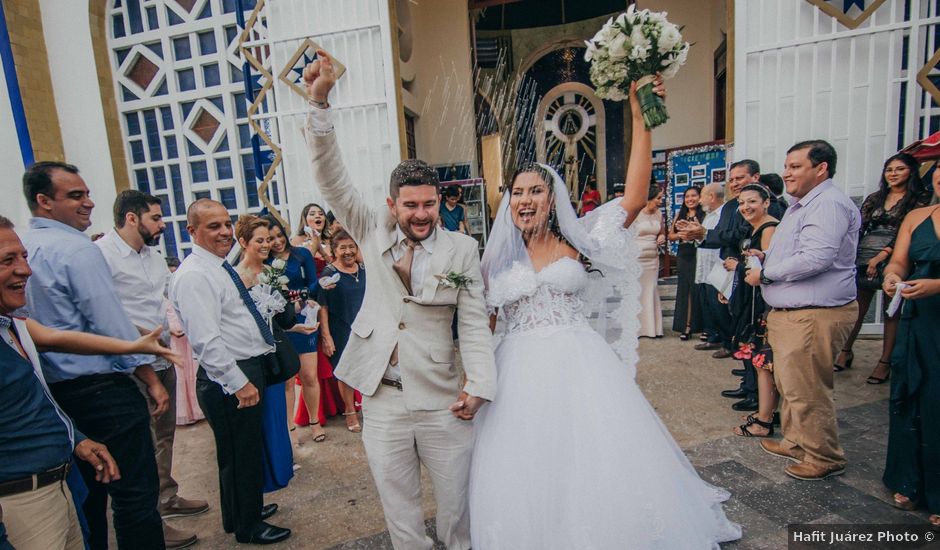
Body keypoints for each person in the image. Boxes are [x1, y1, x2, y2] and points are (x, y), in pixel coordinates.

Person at [471, 80, 741, 548]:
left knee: (592, 453)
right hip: (517, 371)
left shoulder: (579, 238)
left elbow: (634, 198)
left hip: (579, 363)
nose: (525, 199)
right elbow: (484, 326)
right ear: (508, 199)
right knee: (528, 458)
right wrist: (475, 382)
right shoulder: (496, 260)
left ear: (552, 198)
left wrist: (639, 116)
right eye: (517, 192)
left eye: (535, 190)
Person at [304, 53, 497, 550]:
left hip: (442, 399)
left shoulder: (463, 249)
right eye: (410, 204)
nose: (420, 213)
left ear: (439, 200)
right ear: (392, 204)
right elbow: (331, 177)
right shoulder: (370, 228)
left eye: (428, 203)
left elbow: (474, 322)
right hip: (383, 398)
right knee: (399, 509)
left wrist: (479, 383)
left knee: (457, 506)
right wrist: (319, 104)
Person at [0, 215, 180, 550]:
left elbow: (57, 339)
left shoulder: (14, 327)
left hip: (57, 485)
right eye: (8, 260)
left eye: (23, 257)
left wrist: (77, 438)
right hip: (23, 498)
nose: (25, 270)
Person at [169, 199, 290, 545]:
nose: (224, 232)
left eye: (225, 224)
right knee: (241, 455)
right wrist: (239, 384)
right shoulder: (194, 275)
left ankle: (241, 511)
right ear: (192, 231)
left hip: (244, 367)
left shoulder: (218, 267)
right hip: (229, 375)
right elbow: (207, 342)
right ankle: (248, 526)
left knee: (241, 452)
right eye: (213, 226)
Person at [96, 190, 207, 549]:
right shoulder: (102, 257)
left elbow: (164, 302)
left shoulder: (154, 258)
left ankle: (166, 497)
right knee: (139, 446)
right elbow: (107, 318)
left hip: (163, 359)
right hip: (127, 366)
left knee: (164, 436)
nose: (161, 225)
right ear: (132, 218)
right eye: (156, 218)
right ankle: (150, 522)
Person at [749, 140, 860, 481]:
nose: (787, 173)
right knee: (791, 383)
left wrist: (765, 273)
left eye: (795, 166)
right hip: (794, 312)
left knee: (808, 387)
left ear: (821, 167)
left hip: (814, 314)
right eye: (787, 166)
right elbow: (798, 252)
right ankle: (796, 441)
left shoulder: (827, 204)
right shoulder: (803, 206)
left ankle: (824, 456)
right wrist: (767, 258)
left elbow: (817, 258)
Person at [835, 153, 929, 383]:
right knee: (857, 307)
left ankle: (885, 361)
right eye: (889, 169)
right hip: (864, 253)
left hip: (898, 254)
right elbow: (859, 227)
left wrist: (883, 256)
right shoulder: (875, 198)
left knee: (892, 309)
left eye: (899, 169)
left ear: (911, 172)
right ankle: (845, 351)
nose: (893, 174)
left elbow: (907, 232)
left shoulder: (920, 199)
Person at [234, 215, 310, 493]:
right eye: (260, 241)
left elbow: (287, 320)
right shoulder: (235, 278)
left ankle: (281, 466)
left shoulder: (273, 272)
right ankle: (263, 474)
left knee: (277, 412)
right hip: (250, 355)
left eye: (268, 239)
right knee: (260, 417)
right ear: (243, 242)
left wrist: (286, 295)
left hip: (275, 354)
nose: (267, 245)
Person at [881, 203, 940, 528]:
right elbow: (901, 260)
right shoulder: (918, 216)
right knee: (912, 392)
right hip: (920, 315)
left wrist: (938, 285)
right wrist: (894, 275)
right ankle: (909, 479)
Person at [263, 215, 328, 441]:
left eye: (279, 236)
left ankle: (314, 422)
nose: (277, 242)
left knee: (310, 375)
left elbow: (313, 282)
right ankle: (289, 427)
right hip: (281, 322)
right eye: (270, 239)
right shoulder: (265, 263)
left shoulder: (302, 255)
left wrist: (302, 297)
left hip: (304, 314)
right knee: (287, 379)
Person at [728, 184, 779, 436]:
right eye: (741, 203)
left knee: (764, 359)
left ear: (766, 202)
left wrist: (736, 267)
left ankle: (765, 416)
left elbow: (767, 269)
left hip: (764, 301)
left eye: (752, 202)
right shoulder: (754, 227)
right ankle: (763, 410)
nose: (746, 207)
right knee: (758, 358)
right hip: (752, 295)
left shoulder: (770, 229)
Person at [317, 229, 367, 433]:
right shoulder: (329, 274)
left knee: (368, 368)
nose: (348, 251)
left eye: (351, 246)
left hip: (365, 327)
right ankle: (349, 411)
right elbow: (323, 306)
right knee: (345, 372)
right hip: (341, 329)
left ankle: (368, 408)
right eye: (342, 247)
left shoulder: (363, 269)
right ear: (334, 250)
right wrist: (326, 336)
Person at [690, 183, 728, 350]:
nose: (699, 201)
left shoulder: (724, 215)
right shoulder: (708, 215)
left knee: (719, 307)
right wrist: (694, 234)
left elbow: (721, 238)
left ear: (712, 196)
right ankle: (713, 337)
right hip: (704, 268)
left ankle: (727, 342)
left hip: (717, 268)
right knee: (707, 305)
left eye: (702, 196)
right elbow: (703, 239)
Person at [667, 185, 705, 339]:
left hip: (700, 253)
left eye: (693, 196)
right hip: (684, 254)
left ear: (700, 197)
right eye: (687, 196)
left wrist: (695, 233)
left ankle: (703, 327)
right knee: (685, 290)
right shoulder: (680, 214)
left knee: (699, 290)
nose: (690, 199)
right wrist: (682, 234)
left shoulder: (705, 214)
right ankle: (686, 326)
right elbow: (671, 236)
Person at [633, 184, 665, 338]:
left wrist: (661, 237)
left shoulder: (659, 214)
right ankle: (638, 329)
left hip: (653, 259)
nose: (660, 201)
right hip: (637, 258)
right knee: (638, 291)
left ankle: (652, 328)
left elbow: (662, 232)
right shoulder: (636, 214)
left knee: (651, 290)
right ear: (649, 198)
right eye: (658, 198)